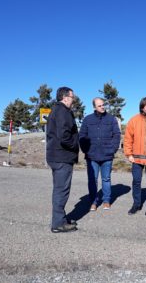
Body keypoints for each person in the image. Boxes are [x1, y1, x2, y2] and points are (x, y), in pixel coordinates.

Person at [46, 87, 79, 233]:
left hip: (56, 156)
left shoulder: (56, 110)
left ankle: (60, 218)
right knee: (61, 190)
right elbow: (64, 136)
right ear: (65, 97)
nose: (74, 99)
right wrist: (75, 145)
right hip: (62, 157)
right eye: (72, 97)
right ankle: (58, 224)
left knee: (59, 189)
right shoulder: (62, 112)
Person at [79, 97, 121, 211]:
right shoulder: (87, 120)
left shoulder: (111, 119)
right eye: (99, 105)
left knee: (106, 179)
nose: (102, 107)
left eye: (103, 105)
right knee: (92, 180)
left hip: (107, 155)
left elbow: (117, 135)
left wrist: (113, 149)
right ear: (94, 107)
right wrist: (85, 150)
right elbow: (82, 135)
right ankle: (93, 201)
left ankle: (106, 200)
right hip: (91, 156)